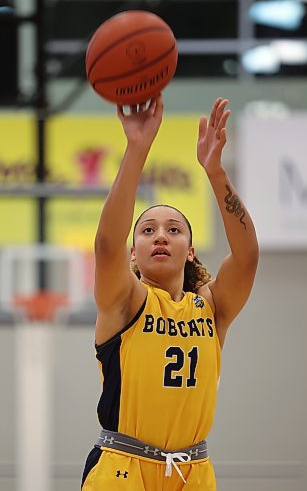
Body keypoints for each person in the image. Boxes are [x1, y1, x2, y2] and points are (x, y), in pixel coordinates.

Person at [81, 95, 259, 490]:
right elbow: (106, 246)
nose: (160, 235)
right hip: (123, 469)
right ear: (134, 251)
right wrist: (137, 147)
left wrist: (215, 173)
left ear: (190, 250)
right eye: (148, 230)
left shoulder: (212, 308)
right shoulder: (125, 302)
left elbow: (246, 257)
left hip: (193, 473)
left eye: (173, 229)